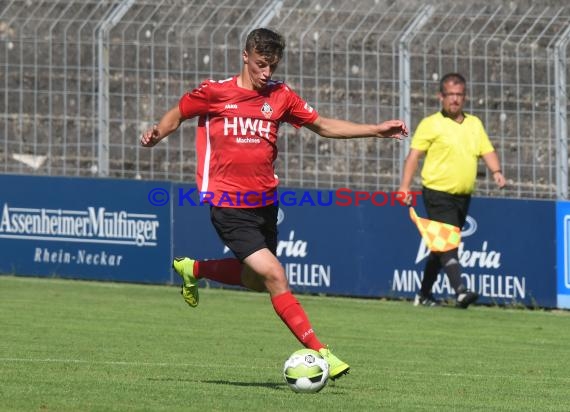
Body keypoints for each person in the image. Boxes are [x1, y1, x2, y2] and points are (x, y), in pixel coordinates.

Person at [140, 27, 408, 380]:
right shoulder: (216, 92)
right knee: (276, 275)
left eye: (272, 65)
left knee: (256, 281)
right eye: (261, 64)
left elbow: (324, 126)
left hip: (265, 205)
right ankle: (320, 350)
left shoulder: (281, 95)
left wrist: (375, 130)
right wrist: (158, 134)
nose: (267, 73)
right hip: (228, 204)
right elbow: (178, 112)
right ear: (245, 56)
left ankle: (194, 269)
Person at [398, 72, 506, 309]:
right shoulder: (431, 124)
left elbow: (486, 150)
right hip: (437, 193)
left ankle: (424, 295)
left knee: (440, 248)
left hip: (462, 196)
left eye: (459, 95)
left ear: (464, 97)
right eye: (450, 95)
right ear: (441, 97)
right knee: (448, 241)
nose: (455, 100)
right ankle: (460, 290)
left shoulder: (474, 124)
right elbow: (414, 156)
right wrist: (404, 186)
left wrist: (496, 171)